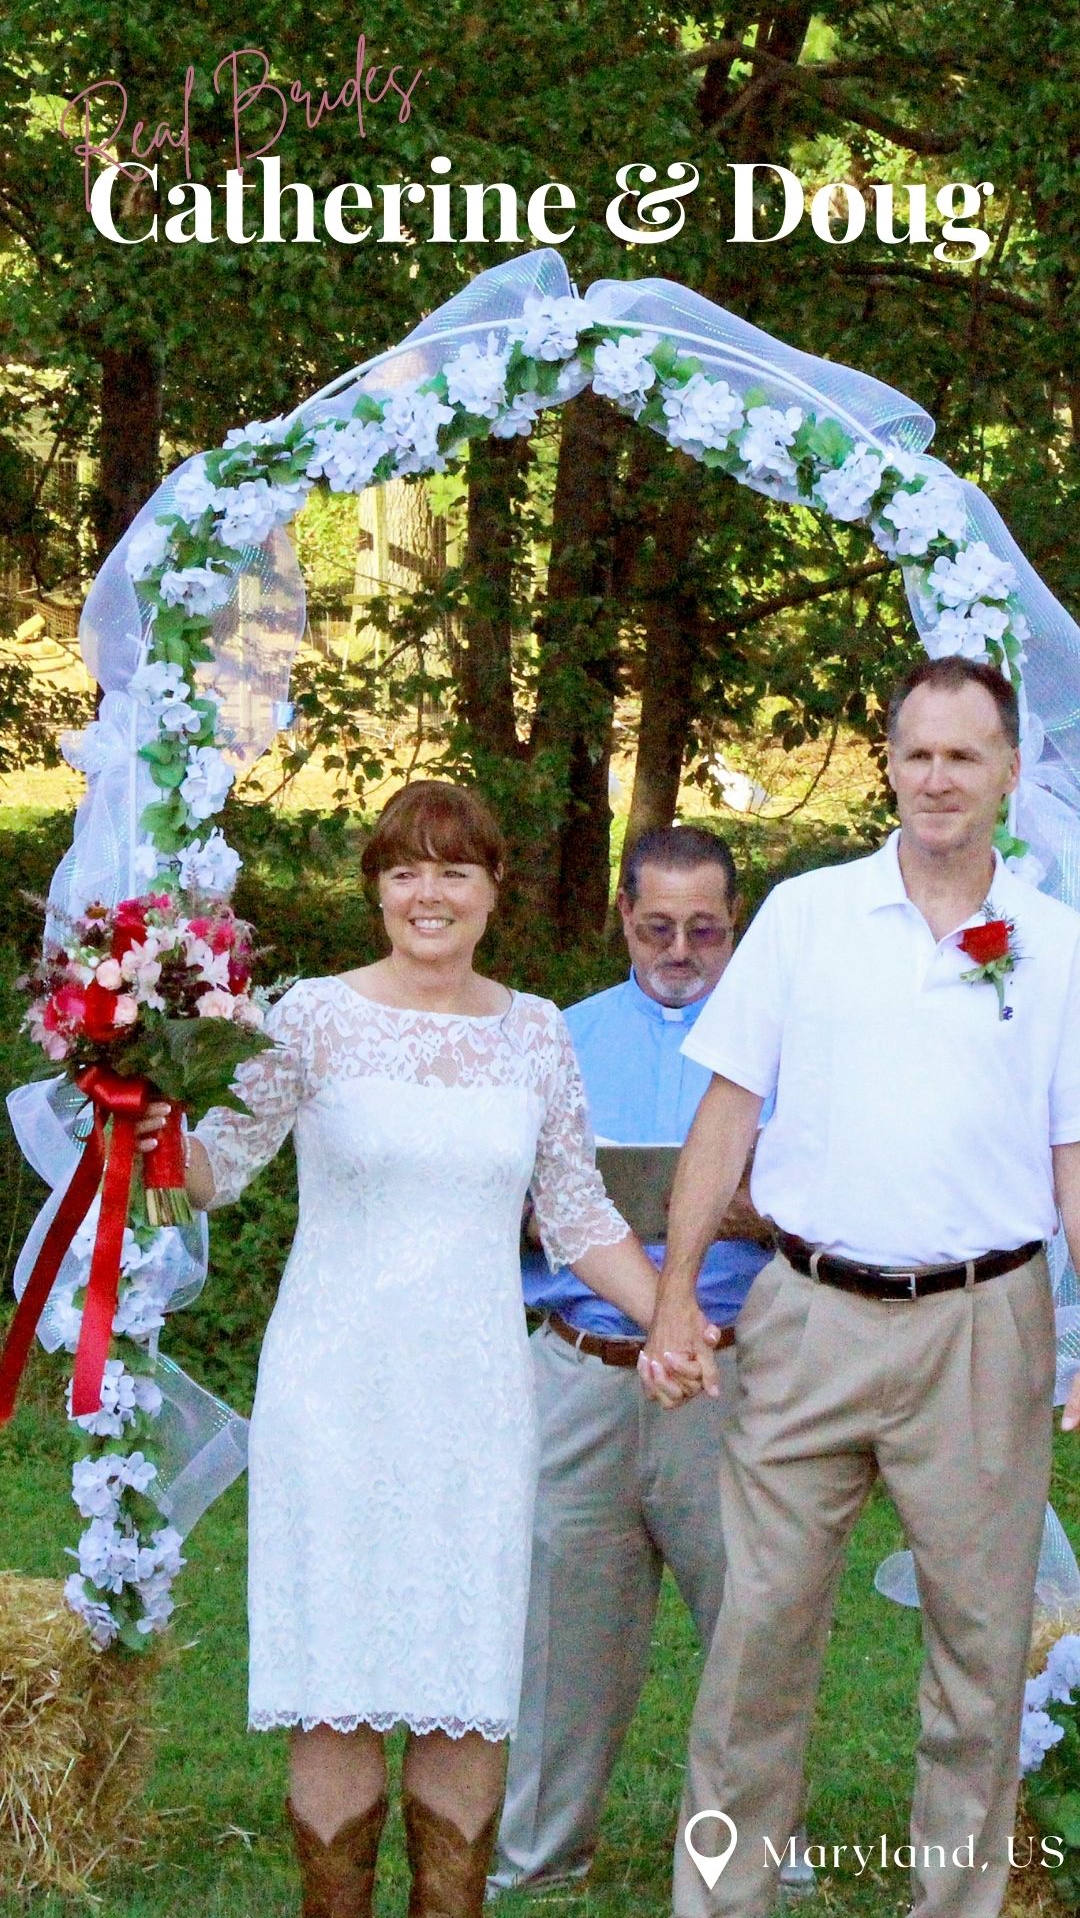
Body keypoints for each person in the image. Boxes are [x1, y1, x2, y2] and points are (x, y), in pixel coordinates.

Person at [137, 781, 687, 1918]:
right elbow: (220, 1166)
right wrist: (147, 1128)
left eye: (454, 871)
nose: (427, 894)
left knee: (462, 1682)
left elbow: (577, 1213)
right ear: (376, 890)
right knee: (334, 1687)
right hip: (332, 1394)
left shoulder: (535, 1031)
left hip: (475, 1397)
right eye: (403, 871)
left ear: (493, 891)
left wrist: (669, 1317)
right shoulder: (311, 1018)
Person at [642, 656, 1080, 1918]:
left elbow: (1071, 1160)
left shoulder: (1053, 947)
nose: (938, 777)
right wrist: (678, 1299)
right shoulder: (807, 915)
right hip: (809, 1317)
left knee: (981, 1661)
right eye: (917, 752)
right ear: (889, 763)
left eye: (964, 754)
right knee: (755, 1652)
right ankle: (719, 1903)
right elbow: (727, 1115)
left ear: (1007, 771)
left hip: (987, 1328)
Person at [491, 826, 812, 1897]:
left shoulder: (792, 1044)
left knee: (752, 1612)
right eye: (658, 926)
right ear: (624, 917)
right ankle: (539, 1851)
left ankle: (764, 1844)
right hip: (581, 1358)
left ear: (738, 926)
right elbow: (504, 1198)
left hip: (733, 1367)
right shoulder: (559, 1038)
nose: (680, 950)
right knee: (559, 1624)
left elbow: (842, 1203)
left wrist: (746, 1206)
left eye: (706, 930)